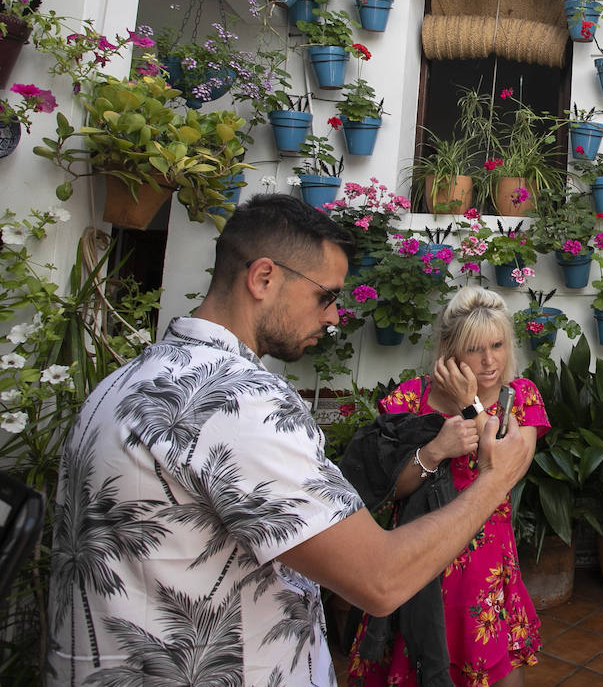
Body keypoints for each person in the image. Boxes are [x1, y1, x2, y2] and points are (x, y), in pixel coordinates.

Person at [44, 194, 534, 686]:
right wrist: (496, 479)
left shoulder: (120, 384)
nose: (334, 316)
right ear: (263, 278)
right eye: (326, 296)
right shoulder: (241, 406)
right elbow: (380, 579)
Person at [344, 288, 547, 687]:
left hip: (486, 567)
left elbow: (506, 467)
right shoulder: (410, 398)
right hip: (418, 557)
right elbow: (390, 490)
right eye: (475, 349)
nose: (490, 360)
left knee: (494, 667)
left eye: (497, 345)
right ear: (450, 350)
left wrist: (470, 404)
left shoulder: (520, 396)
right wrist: (435, 450)